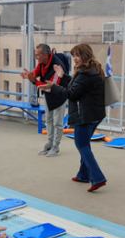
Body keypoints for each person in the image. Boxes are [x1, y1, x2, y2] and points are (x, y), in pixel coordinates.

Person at [40, 44, 106, 192]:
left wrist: (53, 87)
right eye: (73, 55)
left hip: (85, 115)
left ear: (85, 56)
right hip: (96, 114)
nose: (75, 59)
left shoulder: (85, 74)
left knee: (81, 145)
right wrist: (63, 76)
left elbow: (71, 94)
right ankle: (83, 174)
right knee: (85, 144)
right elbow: (75, 86)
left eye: (77, 55)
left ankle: (98, 177)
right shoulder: (93, 70)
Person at [21, 44, 71, 156]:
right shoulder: (42, 63)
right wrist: (29, 76)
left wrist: (34, 81)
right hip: (49, 96)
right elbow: (35, 74)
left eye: (37, 55)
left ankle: (55, 147)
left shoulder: (57, 65)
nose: (36, 57)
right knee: (48, 120)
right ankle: (49, 143)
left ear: (45, 55)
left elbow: (50, 87)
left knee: (57, 123)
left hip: (59, 95)